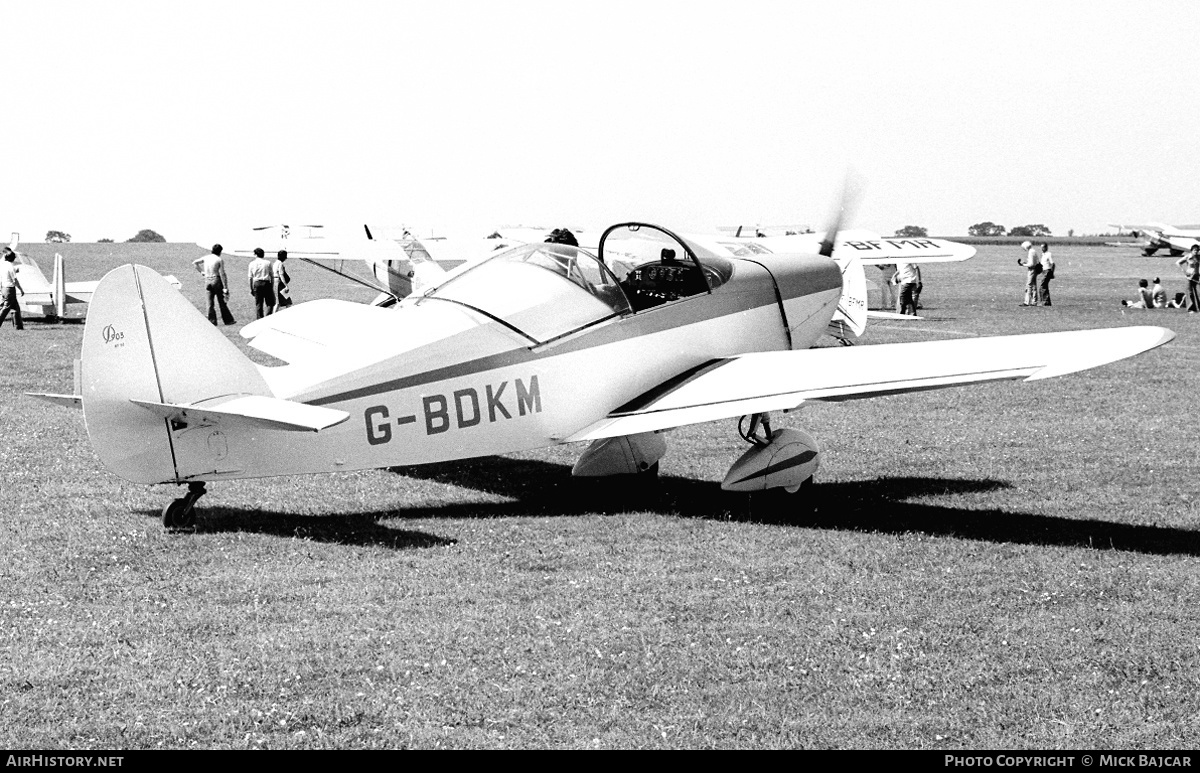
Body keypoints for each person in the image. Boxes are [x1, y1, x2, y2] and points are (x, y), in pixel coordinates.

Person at [192, 244, 236, 326]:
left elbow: (195, 263)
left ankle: (212, 321)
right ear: (220, 251)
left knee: (209, 303)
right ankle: (228, 320)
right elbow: (222, 273)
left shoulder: (206, 258)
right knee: (221, 302)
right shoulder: (219, 259)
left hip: (207, 280)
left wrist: (202, 272)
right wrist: (225, 287)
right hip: (216, 279)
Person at [0, 247, 25, 330]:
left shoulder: (3, 265)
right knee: (6, 307)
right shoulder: (10, 266)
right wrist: (21, 289)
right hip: (10, 289)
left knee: (15, 307)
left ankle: (19, 326)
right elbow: (14, 280)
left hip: (4, 288)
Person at [247, 247, 275, 319]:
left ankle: (259, 318)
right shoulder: (267, 263)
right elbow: (271, 275)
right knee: (270, 303)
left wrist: (251, 288)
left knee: (259, 303)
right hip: (266, 283)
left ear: (256, 254)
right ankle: (268, 317)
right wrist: (272, 286)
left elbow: (250, 277)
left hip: (257, 283)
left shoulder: (252, 264)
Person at [1176, 244, 1200, 313]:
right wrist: (1183, 271)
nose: (1196, 252)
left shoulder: (1198, 257)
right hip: (1189, 277)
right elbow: (1178, 263)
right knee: (1190, 293)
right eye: (1195, 250)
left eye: (1197, 250)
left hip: (1197, 277)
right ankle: (1191, 309)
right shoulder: (1188, 257)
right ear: (1191, 250)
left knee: (1198, 292)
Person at [1018, 240, 1042, 306]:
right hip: (1035, 270)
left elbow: (1031, 264)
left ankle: (1026, 302)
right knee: (1034, 286)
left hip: (1032, 270)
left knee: (1029, 285)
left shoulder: (1030, 252)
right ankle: (1034, 302)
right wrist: (1026, 263)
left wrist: (1023, 265)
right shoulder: (1033, 251)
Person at [1038, 242, 1054, 306]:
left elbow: (1052, 263)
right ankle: (1046, 302)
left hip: (1047, 271)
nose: (1042, 249)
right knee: (1045, 286)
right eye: (1041, 247)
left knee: (1042, 286)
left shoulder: (1048, 254)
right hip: (1043, 271)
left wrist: (1052, 273)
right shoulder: (1042, 254)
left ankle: (1045, 302)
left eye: (1043, 247)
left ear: (1046, 247)